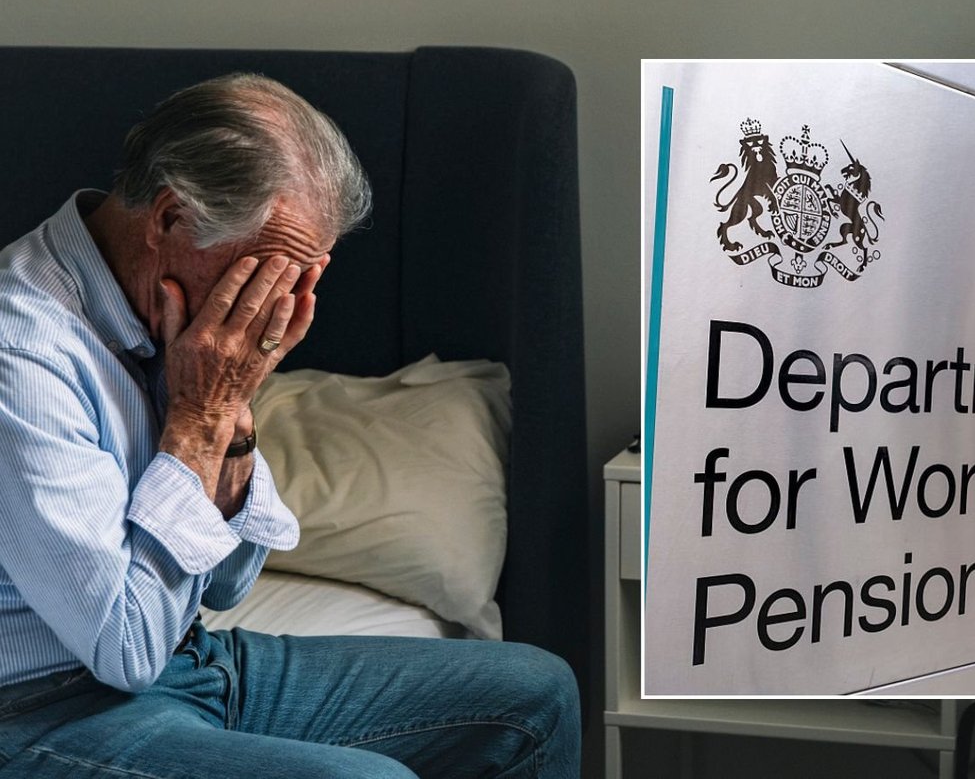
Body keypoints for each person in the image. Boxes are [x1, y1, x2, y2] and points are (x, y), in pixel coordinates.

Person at [0, 73, 579, 778]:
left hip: (189, 661)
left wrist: (234, 419)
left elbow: (225, 584)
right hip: (41, 709)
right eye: (267, 272)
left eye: (305, 280)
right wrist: (198, 419)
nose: (281, 308)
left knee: (535, 692)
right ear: (170, 220)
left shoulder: (178, 328)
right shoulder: (22, 353)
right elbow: (126, 647)